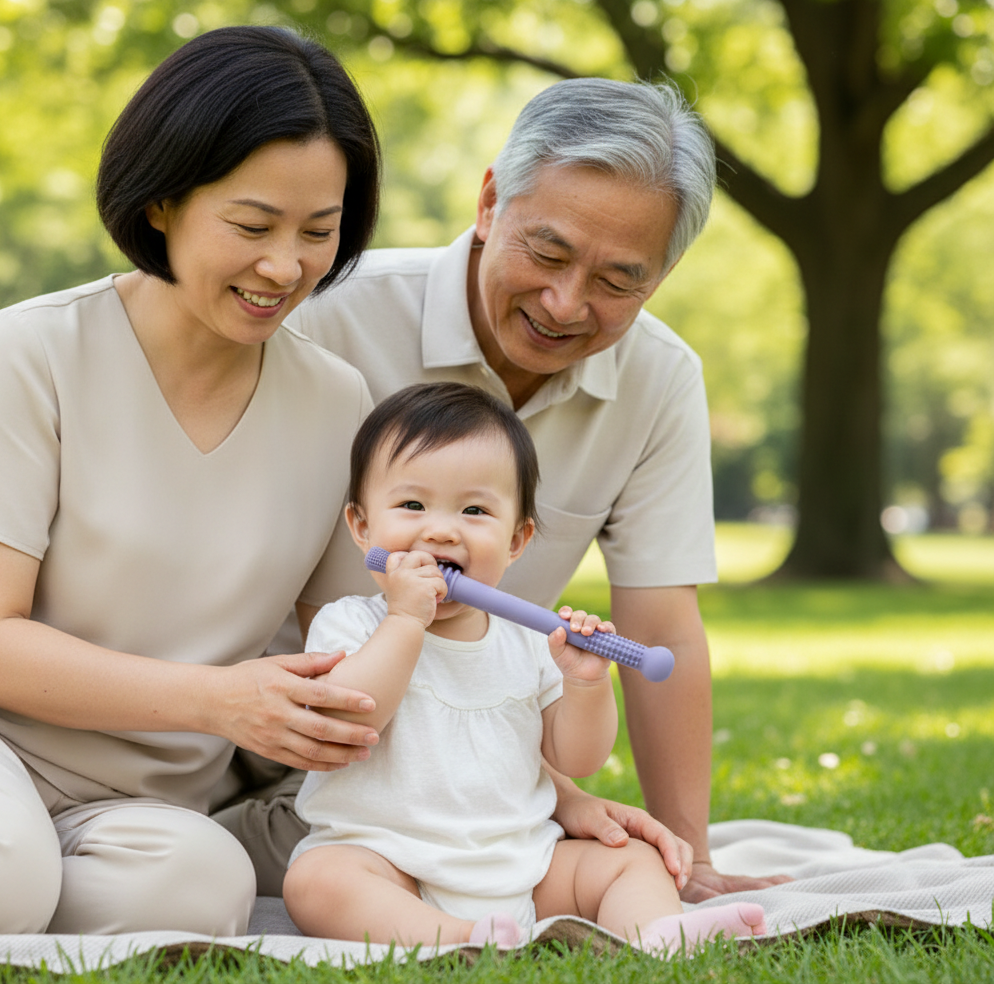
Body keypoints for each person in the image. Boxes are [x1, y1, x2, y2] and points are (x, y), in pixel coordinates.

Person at [218, 77, 790, 902]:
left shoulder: (660, 380)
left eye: (619, 281)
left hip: (462, 772)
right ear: (490, 203)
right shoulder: (327, 316)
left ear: (661, 275)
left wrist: (688, 857)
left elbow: (665, 624)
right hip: (264, 741)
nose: (565, 304)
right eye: (548, 254)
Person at [0, 26, 386, 936]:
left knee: (201, 891)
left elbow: (348, 645)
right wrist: (217, 699)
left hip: (142, 811)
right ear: (161, 202)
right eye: (251, 225)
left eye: (320, 231)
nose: (286, 267)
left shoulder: (336, 400)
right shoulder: (35, 349)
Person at [281, 382, 766, 952]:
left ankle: (656, 931)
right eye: (412, 505)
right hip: (390, 862)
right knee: (317, 881)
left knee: (628, 858)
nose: (441, 529)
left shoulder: (529, 641)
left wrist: (586, 683)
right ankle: (458, 938)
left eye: (475, 510)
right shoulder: (350, 625)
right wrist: (406, 620)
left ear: (517, 539)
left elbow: (576, 758)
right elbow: (353, 714)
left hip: (525, 863)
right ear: (362, 528)